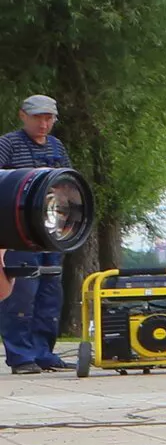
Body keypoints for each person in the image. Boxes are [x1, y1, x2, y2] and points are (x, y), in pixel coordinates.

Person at [0, 95, 72, 373]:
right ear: (23, 116)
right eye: (38, 117)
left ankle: (45, 352)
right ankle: (20, 356)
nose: (44, 124)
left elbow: (68, 183)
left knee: (50, 292)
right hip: (19, 232)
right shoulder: (7, 144)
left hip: (51, 232)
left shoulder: (56, 146)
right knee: (22, 292)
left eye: (49, 118)